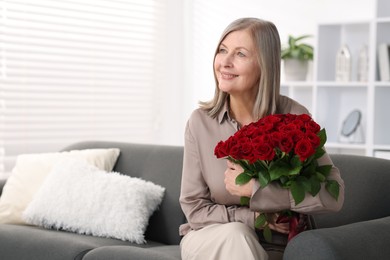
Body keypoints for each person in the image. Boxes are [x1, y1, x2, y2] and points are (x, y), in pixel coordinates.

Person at [179, 17, 344, 260]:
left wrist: (259, 191)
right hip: (209, 237)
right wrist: (254, 218)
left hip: (278, 247)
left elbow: (334, 196)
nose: (224, 62)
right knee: (236, 235)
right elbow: (194, 209)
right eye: (222, 51)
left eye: (240, 54)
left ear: (265, 64)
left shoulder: (294, 117)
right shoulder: (200, 122)